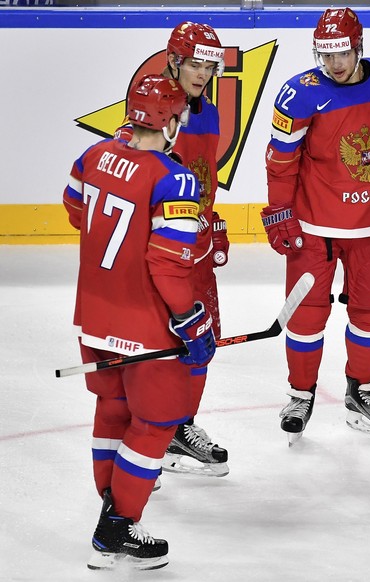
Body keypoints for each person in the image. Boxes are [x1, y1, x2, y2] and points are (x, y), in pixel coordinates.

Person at [64, 75, 216, 569]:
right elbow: (169, 264)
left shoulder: (92, 157)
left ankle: (112, 507)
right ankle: (117, 528)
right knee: (153, 425)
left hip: (93, 313)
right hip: (147, 325)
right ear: (170, 122)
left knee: (112, 406)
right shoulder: (174, 178)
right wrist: (191, 321)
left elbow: (74, 210)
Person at [263, 7, 370, 446]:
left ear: (359, 47)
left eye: (342, 54)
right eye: (325, 55)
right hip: (316, 226)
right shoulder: (298, 94)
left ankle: (362, 388)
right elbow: (281, 160)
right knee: (307, 315)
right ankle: (300, 393)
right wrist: (280, 212)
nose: (334, 64)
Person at [116, 21, 229, 478]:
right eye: (194, 64)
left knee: (202, 342)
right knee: (153, 349)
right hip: (157, 254)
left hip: (194, 248)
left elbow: (202, 177)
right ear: (173, 61)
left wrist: (210, 219)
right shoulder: (152, 110)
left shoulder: (213, 113)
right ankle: (141, 440)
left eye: (208, 65)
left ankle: (182, 428)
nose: (201, 73)